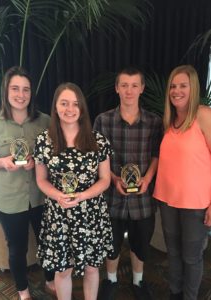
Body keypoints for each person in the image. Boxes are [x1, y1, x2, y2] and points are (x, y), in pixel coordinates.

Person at [33, 82, 113, 300]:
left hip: (90, 214)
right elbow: (41, 179)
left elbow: (105, 179)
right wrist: (58, 195)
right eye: (64, 103)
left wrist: (83, 196)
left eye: (75, 104)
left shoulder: (98, 140)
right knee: (63, 270)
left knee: (92, 268)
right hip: (59, 214)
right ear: (56, 107)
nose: (70, 109)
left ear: (82, 108)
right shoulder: (43, 141)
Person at [0, 66, 55, 300]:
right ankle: (23, 290)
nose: (21, 94)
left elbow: (53, 156)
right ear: (6, 91)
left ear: (31, 93)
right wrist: (2, 162)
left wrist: (36, 160)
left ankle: (50, 280)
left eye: (26, 89)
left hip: (40, 194)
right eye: (15, 88)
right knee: (17, 249)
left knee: (47, 242)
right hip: (8, 198)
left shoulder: (44, 121)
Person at [93, 67, 163, 300]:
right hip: (112, 197)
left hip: (143, 197)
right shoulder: (103, 121)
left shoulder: (154, 122)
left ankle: (138, 281)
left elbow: (156, 155)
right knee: (111, 244)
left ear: (142, 88)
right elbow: (97, 157)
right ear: (117, 88)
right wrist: (113, 179)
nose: (129, 90)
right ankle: (111, 280)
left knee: (140, 244)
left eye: (134, 85)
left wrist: (148, 179)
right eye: (124, 85)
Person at [153, 65, 211, 300]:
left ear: (193, 88)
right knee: (174, 254)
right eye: (173, 86)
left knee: (191, 257)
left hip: (195, 203)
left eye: (183, 86)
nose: (176, 91)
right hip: (167, 200)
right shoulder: (169, 120)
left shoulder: (203, 115)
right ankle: (175, 294)